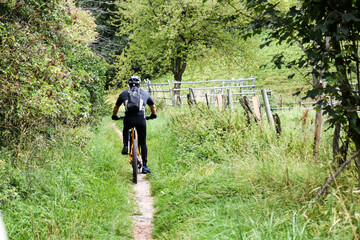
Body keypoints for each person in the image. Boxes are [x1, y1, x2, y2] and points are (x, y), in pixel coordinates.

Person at [112, 75, 156, 174]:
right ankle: (145, 166)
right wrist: (153, 115)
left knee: (126, 128)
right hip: (141, 119)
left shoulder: (124, 93)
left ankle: (125, 146)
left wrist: (114, 116)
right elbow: (152, 106)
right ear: (139, 85)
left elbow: (116, 107)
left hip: (128, 118)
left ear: (129, 85)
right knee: (143, 142)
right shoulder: (144, 93)